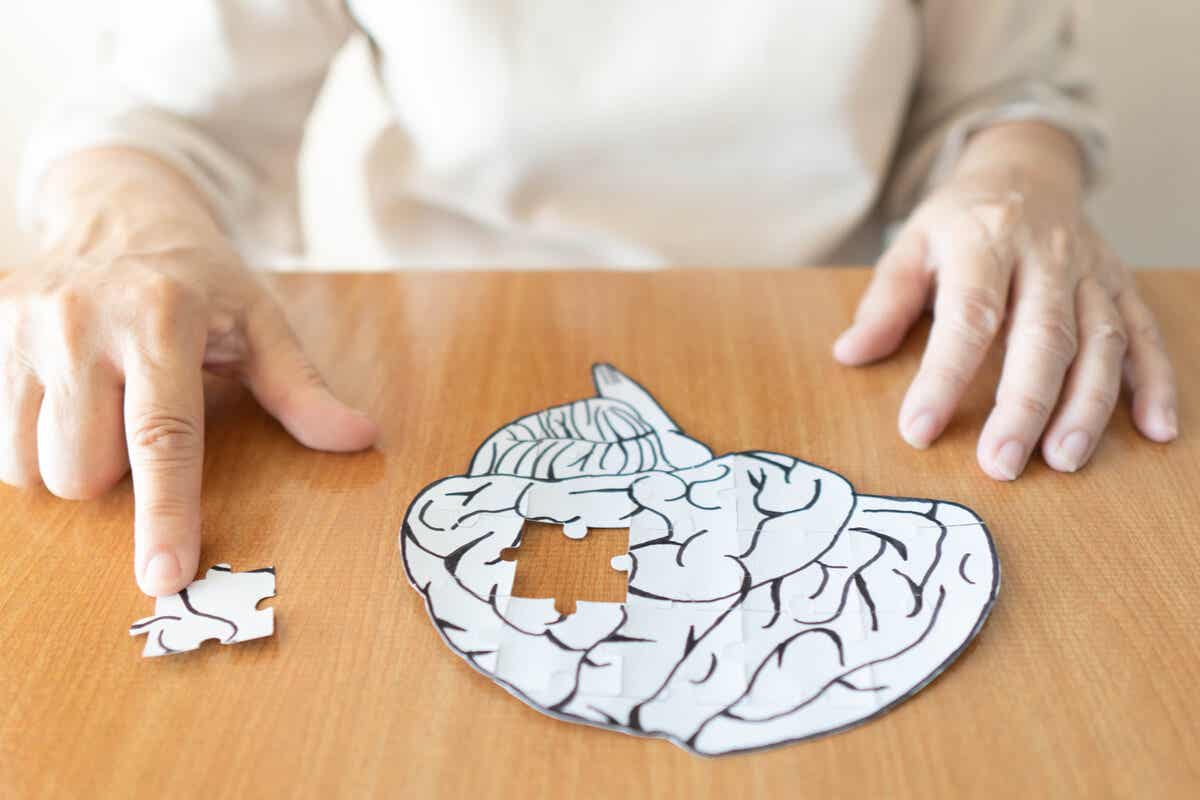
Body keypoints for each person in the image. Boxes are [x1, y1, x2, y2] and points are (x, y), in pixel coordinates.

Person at [1, 2, 1177, 597]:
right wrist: (126, 239)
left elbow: (1010, 89)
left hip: (849, 355)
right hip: (405, 378)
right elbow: (148, 123)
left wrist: (1016, 179)